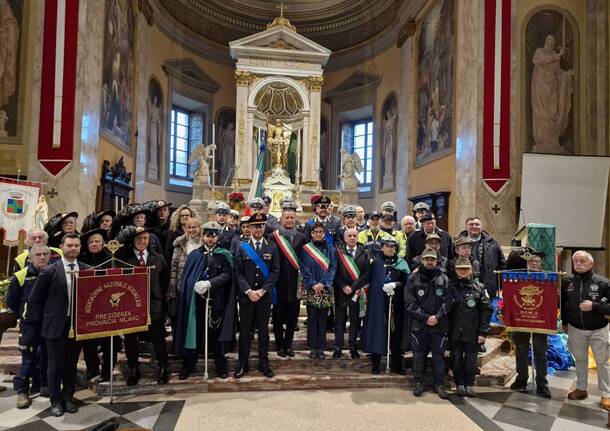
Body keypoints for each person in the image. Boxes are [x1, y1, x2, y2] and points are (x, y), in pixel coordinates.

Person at [28, 233, 90, 417]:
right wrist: (44, 322)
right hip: (55, 326)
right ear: (62, 247)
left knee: (71, 364)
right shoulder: (50, 271)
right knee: (54, 365)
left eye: (76, 245)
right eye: (69, 245)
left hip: (77, 326)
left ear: (80, 248)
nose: (73, 248)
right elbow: (34, 300)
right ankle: (55, 401)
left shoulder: (87, 270)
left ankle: (68, 397)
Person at [175, 222, 235, 379]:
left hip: (217, 302)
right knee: (195, 333)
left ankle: (220, 365)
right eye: (207, 235)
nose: (210, 239)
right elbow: (188, 277)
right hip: (198, 303)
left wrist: (210, 283)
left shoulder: (224, 254)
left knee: (216, 335)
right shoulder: (195, 255)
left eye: (213, 236)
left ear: (217, 237)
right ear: (203, 236)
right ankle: (189, 364)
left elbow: (227, 275)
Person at [115, 226, 169, 386]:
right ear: (133, 240)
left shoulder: (158, 258)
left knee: (158, 337)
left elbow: (164, 282)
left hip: (153, 304)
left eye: (145, 238)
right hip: (131, 305)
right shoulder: (123, 260)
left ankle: (163, 366)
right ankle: (133, 368)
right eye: (139, 238)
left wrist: (162, 303)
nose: (142, 241)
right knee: (131, 338)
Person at [352, 237, 410, 374]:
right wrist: (353, 287)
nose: (390, 249)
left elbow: (407, 282)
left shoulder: (401, 263)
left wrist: (397, 284)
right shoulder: (376, 263)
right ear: (382, 247)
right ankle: (376, 363)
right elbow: (366, 277)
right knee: (377, 332)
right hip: (378, 304)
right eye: (387, 246)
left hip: (396, 304)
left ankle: (396, 363)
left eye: (393, 246)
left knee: (395, 333)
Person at [561, 251, 610, 408]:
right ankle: (581, 389)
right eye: (576, 261)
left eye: (582, 261)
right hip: (576, 329)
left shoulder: (603, 283)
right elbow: (563, 304)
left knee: (602, 362)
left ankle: (606, 395)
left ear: (591, 263)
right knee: (580, 360)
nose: (578, 263)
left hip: (599, 329)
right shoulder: (567, 281)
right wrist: (564, 322)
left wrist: (594, 306)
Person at [234, 213, 280, 378]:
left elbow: (276, 272)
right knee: (245, 332)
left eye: (261, 226)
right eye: (255, 226)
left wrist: (262, 291)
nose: (258, 229)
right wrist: (248, 291)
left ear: (264, 227)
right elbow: (238, 272)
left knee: (263, 333)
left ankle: (263, 363)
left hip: (264, 297)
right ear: (250, 228)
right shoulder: (242, 246)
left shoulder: (272, 246)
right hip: (247, 297)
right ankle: (242, 364)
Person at [405, 247, 453, 399]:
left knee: (438, 357)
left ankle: (439, 384)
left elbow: (448, 301)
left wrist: (436, 317)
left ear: (436, 261)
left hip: (439, 325)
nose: (430, 262)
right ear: (422, 260)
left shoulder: (444, 278)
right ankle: (418, 383)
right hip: (419, 325)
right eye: (427, 259)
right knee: (418, 356)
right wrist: (425, 317)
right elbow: (410, 303)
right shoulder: (413, 278)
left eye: (432, 259)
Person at [7, 243, 50, 408]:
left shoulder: (53, 272)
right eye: (38, 254)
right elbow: (11, 300)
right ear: (30, 257)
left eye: (45, 254)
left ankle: (43, 385)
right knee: (28, 358)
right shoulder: (20, 276)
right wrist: (25, 315)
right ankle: (22, 391)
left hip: (49, 324)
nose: (42, 257)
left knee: (46, 356)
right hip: (30, 325)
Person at [507, 247, 551, 398]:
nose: (534, 263)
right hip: (522, 318)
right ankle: (521, 379)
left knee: (540, 352)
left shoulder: (548, 279)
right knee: (521, 350)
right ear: (526, 262)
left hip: (540, 320)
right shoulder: (517, 278)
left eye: (537, 261)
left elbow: (552, 300)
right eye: (531, 261)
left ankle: (542, 383)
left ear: (540, 264)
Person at [269, 202, 307, 357]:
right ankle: (279, 345)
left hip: (295, 283)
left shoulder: (302, 237)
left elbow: (304, 261)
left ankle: (288, 344)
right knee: (277, 317)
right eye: (287, 218)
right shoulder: (273, 236)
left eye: (292, 218)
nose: (290, 220)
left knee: (293, 318)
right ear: (281, 219)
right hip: (278, 284)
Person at [78, 228, 117, 382]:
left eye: (97, 241)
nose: (94, 244)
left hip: (107, 306)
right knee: (89, 342)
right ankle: (92, 369)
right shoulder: (81, 260)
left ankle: (107, 371)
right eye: (91, 242)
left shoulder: (111, 259)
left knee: (108, 342)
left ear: (103, 244)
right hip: (88, 308)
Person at [449, 257, 492, 397]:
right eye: (460, 268)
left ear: (471, 270)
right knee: (456, 358)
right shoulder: (450, 287)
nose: (463, 271)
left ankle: (469, 383)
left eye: (465, 268)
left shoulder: (479, 288)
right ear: (455, 270)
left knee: (471, 360)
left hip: (472, 331)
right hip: (454, 331)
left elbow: (486, 312)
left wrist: (483, 332)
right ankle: (459, 383)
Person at [300, 222, 337, 360]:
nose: (318, 234)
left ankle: (321, 347)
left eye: (321, 231)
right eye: (316, 231)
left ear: (324, 233)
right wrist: (313, 284)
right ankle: (313, 347)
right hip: (311, 289)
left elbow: (333, 268)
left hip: (325, 290)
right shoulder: (305, 249)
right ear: (312, 233)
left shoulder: (331, 248)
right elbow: (303, 268)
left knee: (323, 320)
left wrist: (324, 283)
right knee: (312, 319)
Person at [333, 227, 368, 359]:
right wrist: (343, 286)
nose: (352, 238)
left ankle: (353, 347)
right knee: (339, 321)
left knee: (355, 321)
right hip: (341, 291)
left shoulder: (364, 251)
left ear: (358, 237)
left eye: (354, 235)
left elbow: (366, 273)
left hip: (357, 292)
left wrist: (353, 287)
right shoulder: (338, 252)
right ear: (345, 238)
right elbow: (334, 272)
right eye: (350, 236)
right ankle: (338, 347)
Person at [168, 217, 203, 335]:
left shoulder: (204, 243)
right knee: (183, 317)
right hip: (182, 285)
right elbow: (174, 267)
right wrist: (172, 287)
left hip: (199, 285)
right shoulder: (180, 243)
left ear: (199, 228)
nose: (191, 230)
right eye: (189, 227)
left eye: (194, 227)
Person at [458, 217, 505, 298]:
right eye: (471, 224)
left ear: (481, 227)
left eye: (477, 224)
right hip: (464, 287)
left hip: (489, 286)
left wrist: (501, 286)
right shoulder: (458, 243)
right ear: (466, 227)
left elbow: (502, 264)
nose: (474, 226)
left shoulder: (493, 243)